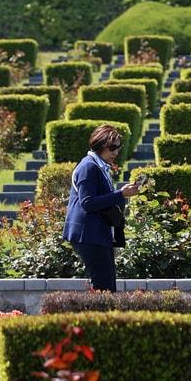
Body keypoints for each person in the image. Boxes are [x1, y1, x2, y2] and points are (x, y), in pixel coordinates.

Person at [63, 124, 139, 291]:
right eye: (112, 147)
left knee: (107, 287)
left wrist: (122, 194)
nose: (116, 152)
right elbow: (88, 203)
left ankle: (100, 317)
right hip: (89, 235)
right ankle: (94, 318)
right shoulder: (88, 166)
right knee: (104, 289)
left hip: (97, 235)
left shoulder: (99, 166)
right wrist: (120, 194)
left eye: (118, 147)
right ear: (100, 145)